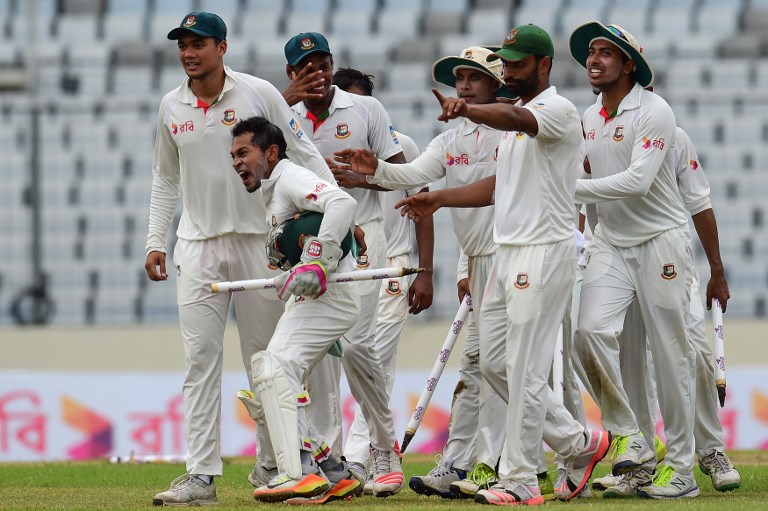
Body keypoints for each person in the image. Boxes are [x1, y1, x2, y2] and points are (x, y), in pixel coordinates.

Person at [349, 25, 611, 505]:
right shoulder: (506, 130)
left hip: (543, 249)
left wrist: (468, 110)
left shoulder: (555, 110)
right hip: (506, 253)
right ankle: (580, 444)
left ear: (544, 65)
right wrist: (419, 189)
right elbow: (497, 188)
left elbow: (516, 118)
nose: (510, 70)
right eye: (506, 62)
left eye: (517, 63)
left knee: (526, 369)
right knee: (493, 365)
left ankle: (521, 479)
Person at [146, 12, 335, 506]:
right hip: (198, 246)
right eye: (183, 44)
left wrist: (337, 213)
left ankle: (275, 463)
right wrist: (154, 241)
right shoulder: (171, 106)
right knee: (200, 363)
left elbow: (303, 148)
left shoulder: (259, 93)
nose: (189, 52)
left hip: (259, 243)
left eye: (199, 43)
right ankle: (201, 477)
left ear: (222, 47)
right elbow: (165, 179)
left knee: (266, 363)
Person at [330, 46, 515, 500]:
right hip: (480, 258)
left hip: (521, 256)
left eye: (474, 77)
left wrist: (428, 261)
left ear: (496, 83)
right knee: (480, 366)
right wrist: (372, 172)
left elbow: (494, 191)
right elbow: (410, 176)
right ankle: (463, 463)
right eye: (459, 79)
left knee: (515, 366)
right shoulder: (449, 140)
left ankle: (560, 451)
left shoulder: (517, 127)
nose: (464, 86)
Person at [568, 21, 698, 499]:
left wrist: (567, 189)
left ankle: (681, 471)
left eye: (606, 53)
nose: (594, 60)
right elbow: (583, 178)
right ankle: (635, 444)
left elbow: (637, 182)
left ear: (629, 64)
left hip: (660, 242)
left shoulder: (655, 110)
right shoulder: (587, 116)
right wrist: (579, 224)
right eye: (591, 53)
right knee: (589, 334)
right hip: (611, 242)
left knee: (669, 356)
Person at [283, 31, 407, 496]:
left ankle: (382, 448)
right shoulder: (284, 115)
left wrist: (358, 179)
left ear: (333, 65)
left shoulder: (365, 110)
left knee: (356, 347)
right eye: (305, 68)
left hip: (363, 240)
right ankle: (328, 460)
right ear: (292, 73)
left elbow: (400, 176)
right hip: (307, 245)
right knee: (314, 360)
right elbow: (254, 168)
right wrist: (282, 102)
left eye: (322, 64)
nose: (316, 74)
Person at [590, 123, 740, 496]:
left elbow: (699, 202)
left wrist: (716, 271)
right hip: (615, 258)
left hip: (666, 258)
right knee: (629, 361)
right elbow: (585, 204)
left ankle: (710, 451)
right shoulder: (591, 130)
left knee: (693, 354)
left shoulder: (673, 135)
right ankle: (639, 464)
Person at [229, 116, 368, 503]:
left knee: (274, 370)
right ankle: (333, 471)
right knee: (272, 374)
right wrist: (293, 269)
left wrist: (320, 259)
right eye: (233, 156)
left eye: (244, 153)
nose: (237, 162)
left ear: (271, 152)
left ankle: (299, 473)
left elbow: (343, 202)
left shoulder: (289, 177)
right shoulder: (272, 192)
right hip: (313, 298)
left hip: (332, 295)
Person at [330, 67, 434, 495]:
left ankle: (360, 457)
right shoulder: (324, 145)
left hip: (394, 262)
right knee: (357, 359)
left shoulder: (400, 145)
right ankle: (356, 453)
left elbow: (423, 206)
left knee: (374, 356)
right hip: (347, 260)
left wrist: (424, 271)